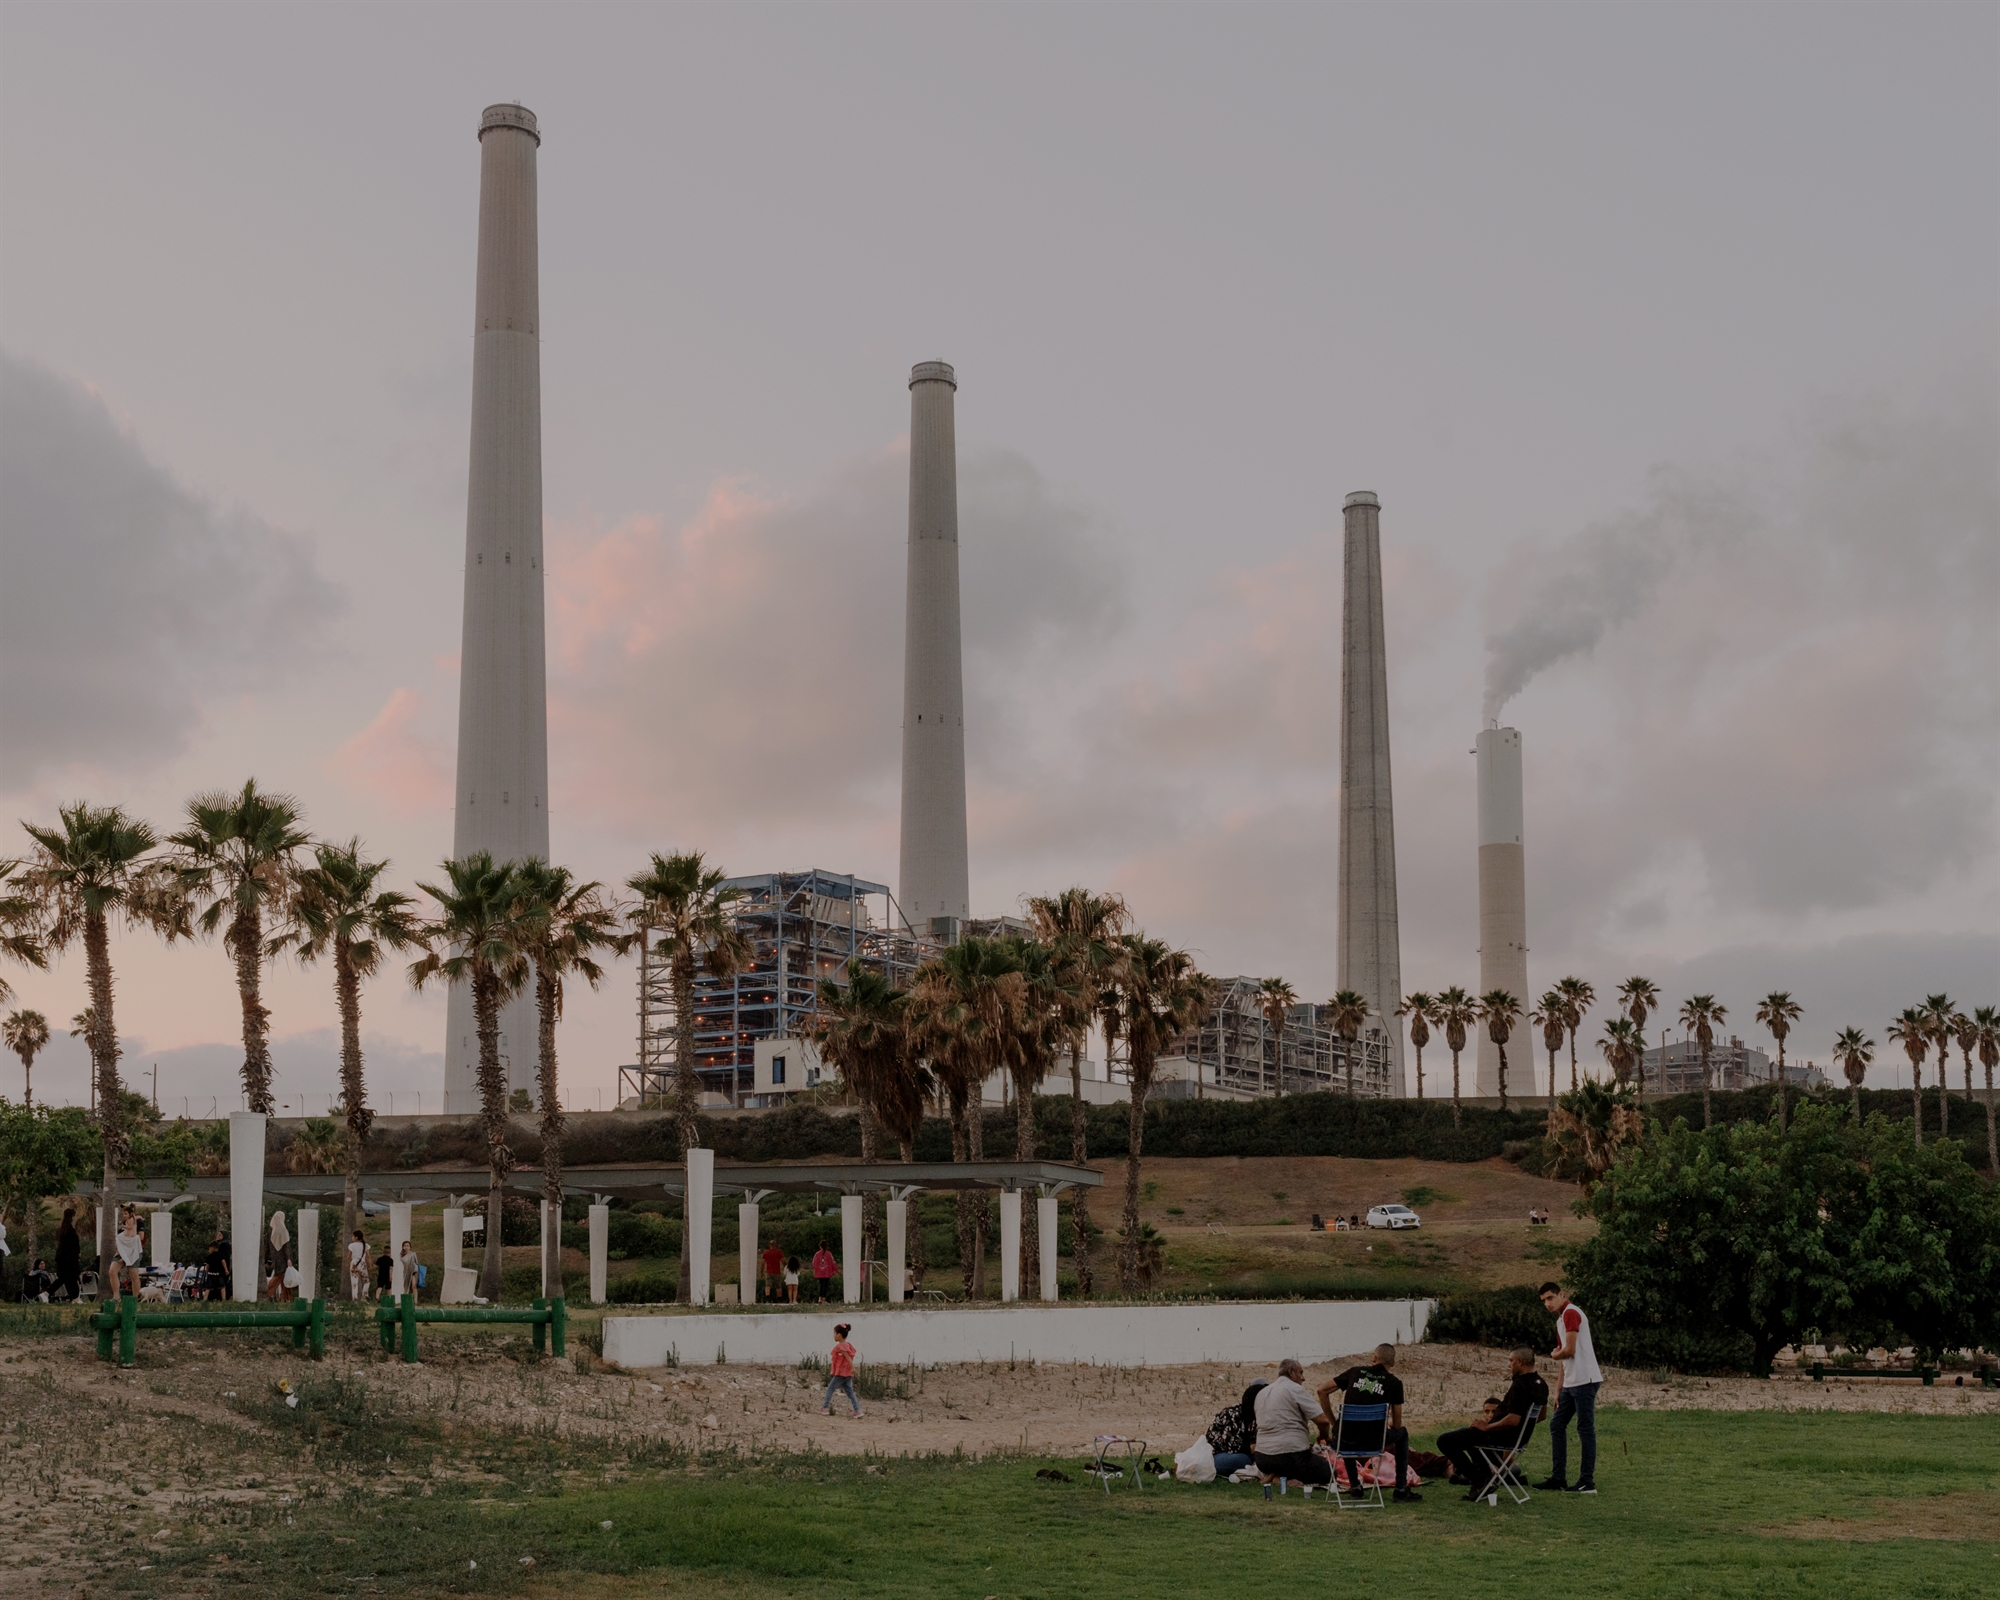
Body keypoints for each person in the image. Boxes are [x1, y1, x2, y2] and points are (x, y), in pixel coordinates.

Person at [1435, 1349, 1548, 1502]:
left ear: (1520, 1362)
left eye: (1511, 1361)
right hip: (1518, 1439)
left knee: (1445, 1441)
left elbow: (1513, 1420)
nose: (1509, 1365)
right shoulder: (1542, 1385)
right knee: (1472, 1436)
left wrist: (1488, 1427)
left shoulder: (1520, 1385)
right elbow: (1541, 1416)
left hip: (1502, 1437)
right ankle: (1483, 1479)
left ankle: (1480, 1480)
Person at [1319, 1343, 1419, 1502]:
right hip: (1374, 1443)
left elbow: (1321, 1390)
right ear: (1392, 1363)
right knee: (1402, 1433)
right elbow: (1397, 1425)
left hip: (1346, 1441)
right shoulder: (1394, 1383)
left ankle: (1355, 1487)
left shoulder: (1354, 1372)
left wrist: (1334, 1423)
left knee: (1348, 1432)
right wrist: (1388, 1422)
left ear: (1374, 1358)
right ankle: (1400, 1489)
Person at [1537, 1280, 1604, 1494]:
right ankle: (1559, 1478)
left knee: (1585, 1429)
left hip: (1586, 1380)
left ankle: (1587, 1482)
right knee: (1557, 1425)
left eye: (1550, 1298)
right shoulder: (1560, 1320)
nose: (1547, 1303)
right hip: (1572, 1382)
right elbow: (1564, 1360)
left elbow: (1568, 1350)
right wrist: (1558, 1389)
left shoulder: (1570, 1312)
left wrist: (1553, 1354)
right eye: (1543, 1300)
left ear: (1561, 1294)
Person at [1250, 1358, 1333, 1490]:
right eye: (1301, 1373)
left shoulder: (1262, 1393)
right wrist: (1324, 1436)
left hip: (1262, 1459)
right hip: (1290, 1457)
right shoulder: (1295, 1389)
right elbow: (1323, 1420)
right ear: (1291, 1372)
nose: (1303, 1378)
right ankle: (1284, 1479)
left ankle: (1275, 1476)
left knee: (1285, 1462)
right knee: (1328, 1472)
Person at [1204, 1380, 1266, 1478]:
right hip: (1218, 1454)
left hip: (1244, 1454)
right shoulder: (1232, 1414)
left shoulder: (1254, 1418)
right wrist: (1253, 1448)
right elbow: (1230, 1447)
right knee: (1243, 1460)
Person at [818, 1322, 863, 1417]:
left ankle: (825, 1408)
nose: (833, 1336)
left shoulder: (841, 1346)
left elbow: (847, 1357)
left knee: (830, 1389)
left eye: (834, 1333)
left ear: (839, 1335)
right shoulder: (848, 1345)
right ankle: (857, 1410)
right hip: (847, 1374)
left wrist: (852, 1368)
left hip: (841, 1373)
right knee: (850, 1392)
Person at [110, 1206, 146, 1303]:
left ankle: (135, 1298)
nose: (124, 1214)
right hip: (122, 1250)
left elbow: (140, 1237)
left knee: (134, 1275)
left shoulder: (136, 1222)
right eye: (123, 1212)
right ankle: (116, 1297)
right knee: (112, 1271)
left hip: (132, 1249)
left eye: (126, 1212)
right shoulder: (124, 1222)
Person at [55, 1208, 82, 1302]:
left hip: (61, 1256)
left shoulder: (61, 1228)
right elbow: (75, 1244)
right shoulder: (71, 1230)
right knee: (72, 1277)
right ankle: (75, 1297)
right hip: (69, 1258)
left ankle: (74, 1297)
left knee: (65, 1278)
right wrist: (78, 1253)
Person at [204, 1234, 231, 1302]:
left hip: (211, 1274)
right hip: (218, 1274)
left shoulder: (209, 1256)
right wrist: (226, 1269)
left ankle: (205, 1299)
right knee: (222, 1287)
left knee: (208, 1288)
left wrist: (206, 1271)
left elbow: (207, 1265)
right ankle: (224, 1299)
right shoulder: (220, 1255)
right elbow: (223, 1262)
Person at [347, 1230, 369, 1301]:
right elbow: (368, 1256)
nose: (352, 1237)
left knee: (354, 1283)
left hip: (354, 1263)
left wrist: (348, 1263)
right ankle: (364, 1297)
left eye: (353, 1236)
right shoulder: (365, 1245)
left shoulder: (351, 1245)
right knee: (366, 1281)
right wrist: (370, 1265)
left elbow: (349, 1256)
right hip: (362, 1263)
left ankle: (355, 1299)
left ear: (356, 1237)